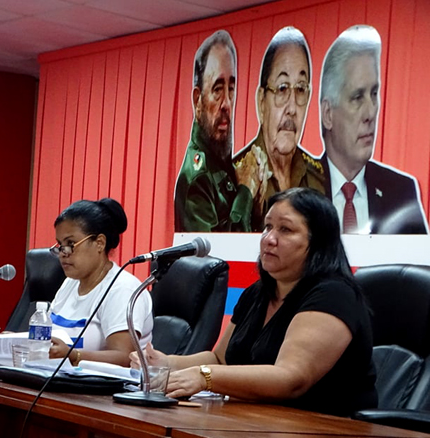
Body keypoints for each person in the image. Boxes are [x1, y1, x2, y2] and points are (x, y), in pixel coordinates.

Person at [132, 188, 377, 417]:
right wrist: (166, 364)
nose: (269, 239)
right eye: (267, 227)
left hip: (325, 436)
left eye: (286, 230)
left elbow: (291, 378)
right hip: (258, 422)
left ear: (318, 242)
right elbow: (220, 359)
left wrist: (204, 377)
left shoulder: (334, 294)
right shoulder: (258, 292)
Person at [319, 25, 428, 234]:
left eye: (374, 93)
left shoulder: (401, 192)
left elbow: (419, 266)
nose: (370, 113)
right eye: (357, 97)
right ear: (328, 114)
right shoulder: (299, 190)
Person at [233, 27, 325, 232]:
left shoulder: (321, 178)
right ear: (261, 102)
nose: (292, 108)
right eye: (282, 89)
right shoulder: (234, 179)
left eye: (300, 89)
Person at [48, 198, 153, 367]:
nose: (63, 253)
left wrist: (74, 355)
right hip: (63, 382)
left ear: (99, 243)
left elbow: (126, 357)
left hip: (107, 389)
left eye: (71, 244)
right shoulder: (70, 283)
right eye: (60, 245)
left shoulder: (122, 289)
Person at [174, 30, 258, 232]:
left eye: (231, 89)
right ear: (197, 99)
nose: (227, 104)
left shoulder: (220, 161)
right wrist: (245, 192)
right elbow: (222, 254)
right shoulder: (197, 178)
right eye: (218, 89)